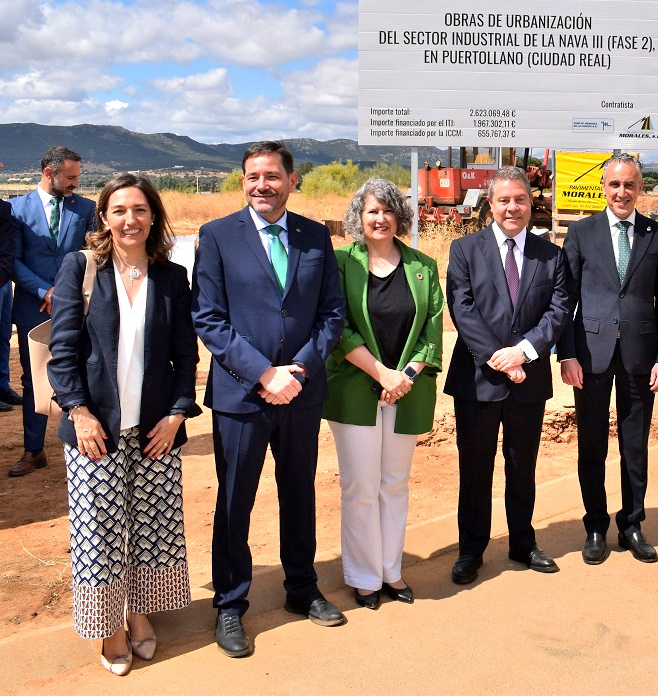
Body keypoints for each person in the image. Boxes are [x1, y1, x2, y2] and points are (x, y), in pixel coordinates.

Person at [192, 141, 347, 657]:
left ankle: (302, 589)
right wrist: (264, 374)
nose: (263, 184)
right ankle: (231, 604)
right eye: (254, 176)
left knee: (299, 492)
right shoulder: (216, 237)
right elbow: (209, 319)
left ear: (292, 180)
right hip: (242, 396)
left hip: (301, 393)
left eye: (273, 175)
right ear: (243, 181)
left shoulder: (314, 235)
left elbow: (331, 314)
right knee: (235, 499)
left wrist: (295, 373)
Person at [47, 174, 199, 675]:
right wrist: (80, 411)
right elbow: (63, 349)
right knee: (100, 533)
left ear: (153, 216)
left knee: (151, 529)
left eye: (139, 209)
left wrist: (178, 414)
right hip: (97, 432)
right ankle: (108, 628)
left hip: (155, 428)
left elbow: (184, 354)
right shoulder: (81, 269)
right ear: (104, 218)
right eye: (119, 210)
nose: (129, 220)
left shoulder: (172, 277)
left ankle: (137, 614)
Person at [444, 166, 571, 584]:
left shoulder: (551, 255)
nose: (512, 207)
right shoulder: (465, 250)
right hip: (478, 380)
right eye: (504, 200)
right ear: (490, 204)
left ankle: (522, 542)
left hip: (528, 378)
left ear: (531, 203)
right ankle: (470, 550)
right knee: (475, 468)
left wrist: (523, 353)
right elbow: (462, 309)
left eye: (520, 199)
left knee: (522, 466)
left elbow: (557, 311)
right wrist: (499, 358)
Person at [324, 178, 443, 610]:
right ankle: (364, 576)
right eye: (372, 211)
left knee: (394, 484)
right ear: (359, 216)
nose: (380, 218)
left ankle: (391, 571)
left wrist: (403, 377)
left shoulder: (423, 266)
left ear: (400, 217)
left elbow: (432, 330)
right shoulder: (340, 263)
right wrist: (381, 374)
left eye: (388, 210)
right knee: (361, 484)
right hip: (355, 389)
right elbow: (335, 327)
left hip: (405, 390)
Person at [559, 154, 658, 564]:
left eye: (629, 185)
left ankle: (631, 525)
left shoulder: (656, 235)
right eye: (614, 185)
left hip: (641, 357)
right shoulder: (581, 232)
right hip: (590, 355)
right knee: (591, 444)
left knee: (635, 445)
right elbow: (565, 299)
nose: (622, 193)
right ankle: (595, 525)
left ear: (639, 188)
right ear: (603, 187)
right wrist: (566, 354)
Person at [8, 147, 96, 476]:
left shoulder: (86, 207)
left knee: (85, 372)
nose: (76, 183)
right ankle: (34, 451)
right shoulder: (15, 210)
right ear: (50, 173)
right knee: (34, 380)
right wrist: (45, 291)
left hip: (78, 306)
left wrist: (68, 292)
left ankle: (86, 445)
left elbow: (92, 252)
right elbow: (12, 259)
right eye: (70, 177)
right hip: (34, 304)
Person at [0, 196, 14, 411]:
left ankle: (2, 387)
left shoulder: (3, 208)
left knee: (3, 337)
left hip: (2, 283)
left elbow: (6, 248)